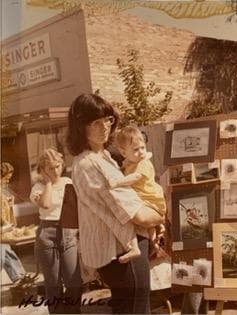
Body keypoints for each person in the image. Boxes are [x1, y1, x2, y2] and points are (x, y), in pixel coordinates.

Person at [67, 93, 164, 314]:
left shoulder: (104, 157)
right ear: (80, 127)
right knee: (137, 309)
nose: (104, 127)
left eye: (107, 120)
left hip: (122, 247)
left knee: (128, 308)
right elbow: (136, 214)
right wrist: (159, 213)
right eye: (95, 123)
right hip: (120, 250)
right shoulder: (89, 163)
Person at [30, 149, 82, 314]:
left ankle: (73, 311)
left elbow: (77, 208)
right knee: (53, 283)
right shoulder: (38, 187)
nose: (55, 171)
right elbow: (45, 204)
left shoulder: (68, 182)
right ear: (43, 169)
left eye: (58, 166)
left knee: (74, 280)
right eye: (50, 168)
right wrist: (48, 183)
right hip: (47, 233)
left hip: (68, 231)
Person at [115, 126, 166, 263]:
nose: (141, 152)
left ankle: (138, 245)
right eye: (136, 150)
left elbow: (135, 178)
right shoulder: (129, 164)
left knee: (129, 217)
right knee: (147, 227)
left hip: (150, 200)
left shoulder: (143, 163)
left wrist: (117, 183)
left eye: (142, 147)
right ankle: (155, 244)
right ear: (123, 152)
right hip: (143, 200)